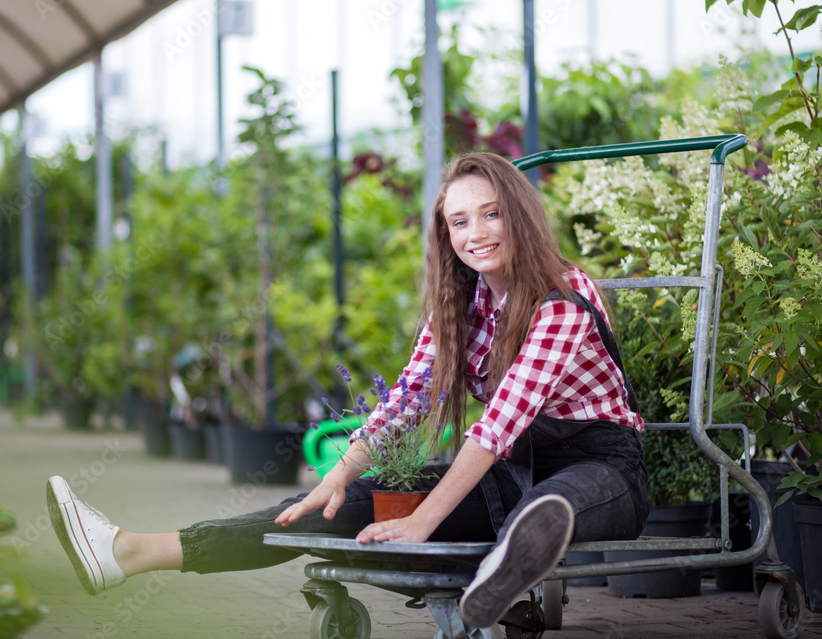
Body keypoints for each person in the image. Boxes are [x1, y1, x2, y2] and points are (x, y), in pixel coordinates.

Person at [46, 152, 648, 630]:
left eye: (490, 214)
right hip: (508, 474)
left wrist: (423, 523)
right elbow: (409, 398)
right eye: (459, 221)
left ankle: (504, 568)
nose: (476, 233)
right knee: (332, 510)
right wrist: (339, 476)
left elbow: (497, 426)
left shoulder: (562, 296)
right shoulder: (459, 304)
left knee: (549, 506)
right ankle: (129, 552)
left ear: (518, 216)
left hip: (602, 469)